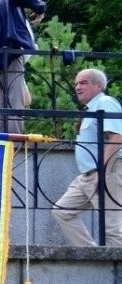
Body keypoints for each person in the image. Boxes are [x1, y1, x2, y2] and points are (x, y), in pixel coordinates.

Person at [52, 69, 122, 247]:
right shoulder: (91, 108)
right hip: (87, 175)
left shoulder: (105, 103)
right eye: (76, 83)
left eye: (83, 83)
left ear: (98, 86)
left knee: (112, 229)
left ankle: (112, 273)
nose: (77, 87)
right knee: (62, 211)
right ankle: (93, 255)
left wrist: (102, 171)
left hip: (105, 172)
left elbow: (117, 137)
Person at [0, 0, 47, 135]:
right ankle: (14, 144)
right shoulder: (9, 5)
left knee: (7, 104)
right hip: (10, 57)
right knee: (15, 103)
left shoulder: (4, 9)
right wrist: (40, 9)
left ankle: (0, 141)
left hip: (0, 59)